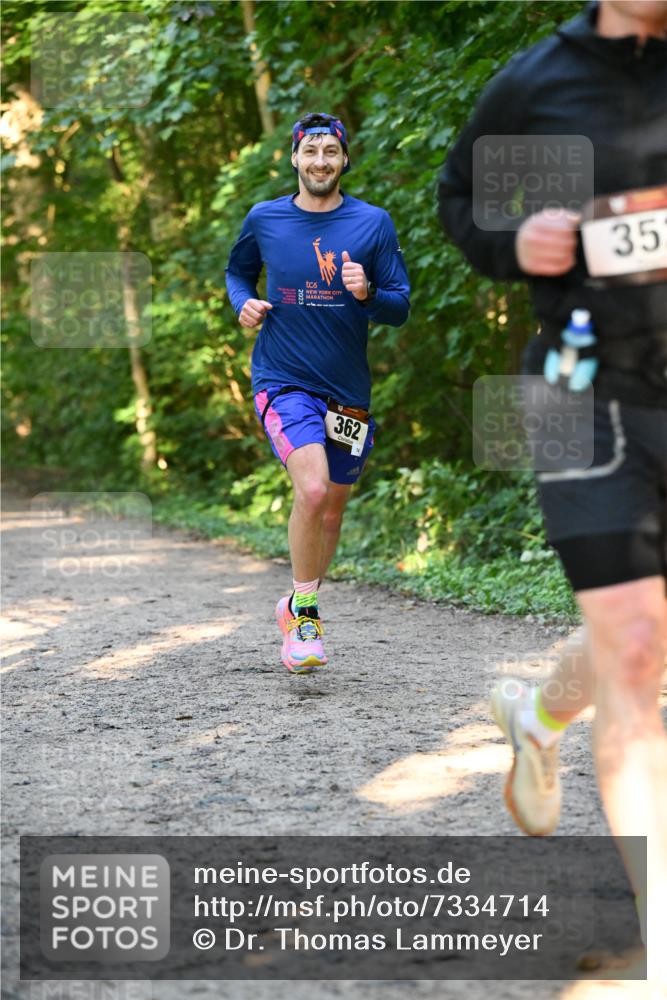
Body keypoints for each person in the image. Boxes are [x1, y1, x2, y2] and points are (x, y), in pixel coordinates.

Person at [438, 0, 666, 979]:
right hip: (581, 391)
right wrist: (512, 242)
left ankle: (539, 716)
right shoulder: (539, 82)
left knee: (642, 631)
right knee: (636, 646)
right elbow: (460, 199)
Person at [226, 112, 410, 674]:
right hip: (283, 380)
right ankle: (305, 618)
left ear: (345, 159)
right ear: (294, 159)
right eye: (311, 152)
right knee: (310, 489)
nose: (321, 162)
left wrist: (367, 293)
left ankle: (296, 600)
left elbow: (399, 306)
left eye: (331, 152)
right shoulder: (265, 218)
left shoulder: (372, 223)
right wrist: (244, 304)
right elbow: (238, 273)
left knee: (331, 511)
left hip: (347, 393)